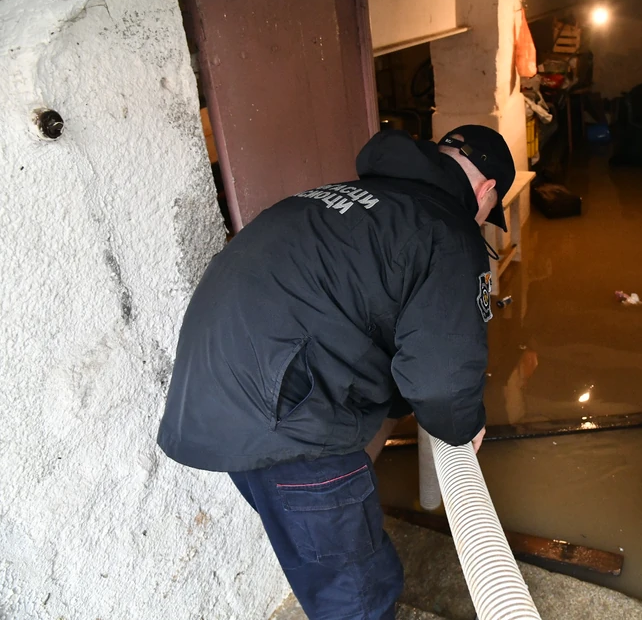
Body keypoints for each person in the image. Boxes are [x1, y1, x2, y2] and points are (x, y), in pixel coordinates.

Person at [156, 125, 516, 619]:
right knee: (358, 591)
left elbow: (365, 310)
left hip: (216, 397)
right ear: (486, 191)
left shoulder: (347, 196)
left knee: (321, 567)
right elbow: (442, 381)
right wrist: (463, 424)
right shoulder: (447, 230)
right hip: (289, 414)